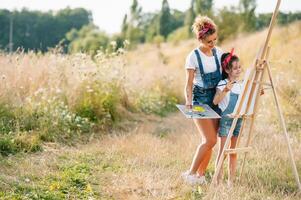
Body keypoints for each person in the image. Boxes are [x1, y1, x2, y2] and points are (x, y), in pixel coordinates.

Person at [182, 15, 223, 185]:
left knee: (210, 141)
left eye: (215, 40)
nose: (213, 44)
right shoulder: (193, 56)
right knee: (210, 140)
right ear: (201, 39)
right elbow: (189, 84)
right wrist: (188, 101)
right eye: (209, 42)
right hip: (199, 102)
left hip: (215, 100)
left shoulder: (219, 53)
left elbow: (227, 75)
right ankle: (189, 174)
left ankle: (200, 176)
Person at [213, 50, 242, 185]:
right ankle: (217, 181)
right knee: (223, 151)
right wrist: (225, 90)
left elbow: (244, 102)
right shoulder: (222, 83)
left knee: (233, 151)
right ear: (227, 69)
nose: (238, 70)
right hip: (226, 121)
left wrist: (256, 94)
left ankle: (231, 181)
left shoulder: (241, 85)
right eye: (235, 68)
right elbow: (215, 101)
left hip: (238, 120)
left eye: (239, 67)